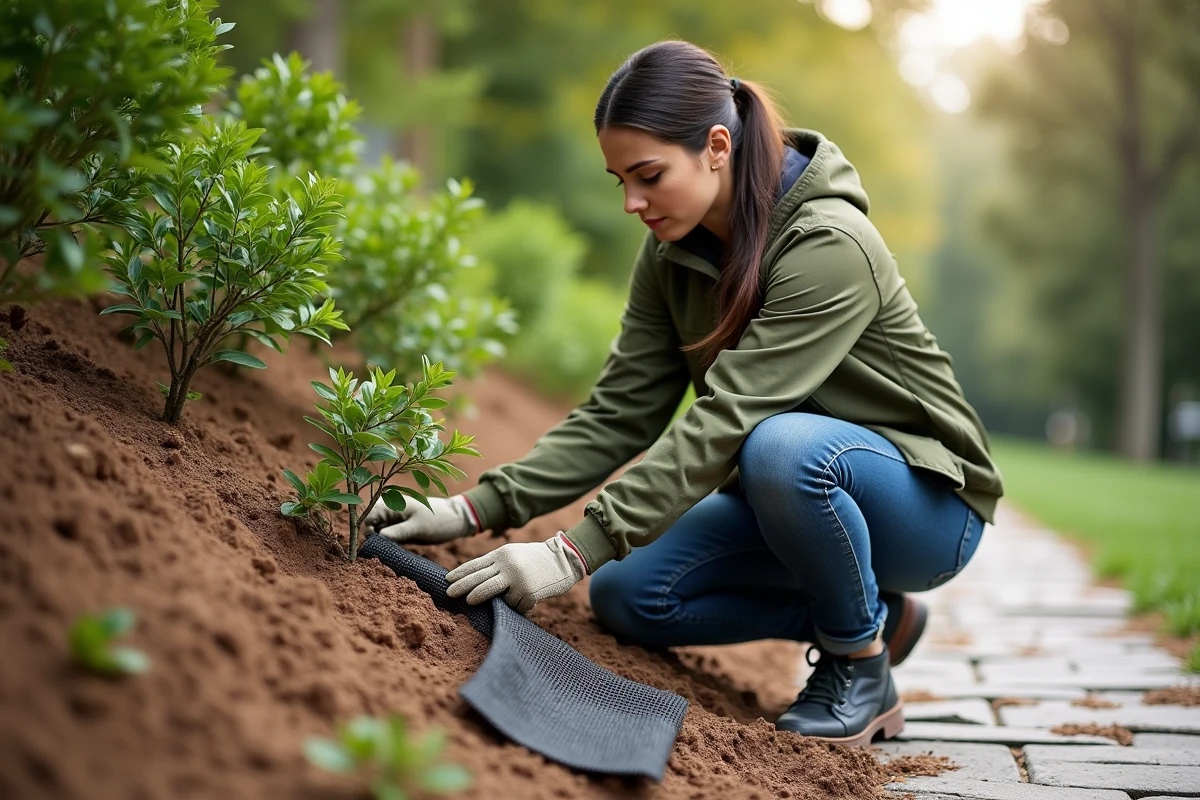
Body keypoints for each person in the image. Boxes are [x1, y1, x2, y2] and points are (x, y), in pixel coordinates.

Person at [363, 40, 1004, 748]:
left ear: (717, 146)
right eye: (619, 182)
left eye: (648, 175)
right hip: (786, 488)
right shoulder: (673, 250)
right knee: (629, 595)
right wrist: (472, 506)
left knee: (780, 446)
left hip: (926, 506)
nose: (634, 202)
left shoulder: (829, 244)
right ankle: (881, 614)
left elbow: (732, 416)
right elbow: (621, 409)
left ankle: (859, 662)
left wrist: (572, 551)